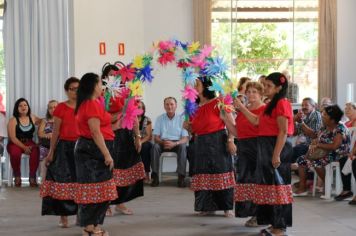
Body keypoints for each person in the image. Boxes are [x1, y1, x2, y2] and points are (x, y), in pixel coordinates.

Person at [225, 72, 294, 235]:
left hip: (275, 146)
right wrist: (236, 110)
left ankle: (280, 228)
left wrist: (276, 154)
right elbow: (256, 121)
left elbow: (283, 131)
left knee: (278, 188)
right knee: (269, 188)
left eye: (269, 86)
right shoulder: (270, 104)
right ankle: (274, 223)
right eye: (265, 85)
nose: (265, 88)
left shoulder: (282, 103)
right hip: (265, 146)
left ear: (279, 88)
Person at [184, 76, 235, 218]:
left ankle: (226, 208)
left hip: (218, 142)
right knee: (203, 175)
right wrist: (188, 127)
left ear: (206, 86)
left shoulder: (219, 102)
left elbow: (231, 124)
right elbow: (193, 129)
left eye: (197, 83)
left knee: (221, 173)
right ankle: (205, 207)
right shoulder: (193, 106)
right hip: (200, 144)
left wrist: (230, 140)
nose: (195, 86)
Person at [74, 73, 117, 236]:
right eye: (100, 83)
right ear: (93, 86)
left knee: (99, 191)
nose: (102, 86)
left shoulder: (90, 103)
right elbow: (95, 132)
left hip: (92, 149)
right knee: (97, 191)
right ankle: (91, 227)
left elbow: (103, 126)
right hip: (92, 151)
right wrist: (107, 154)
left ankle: (91, 225)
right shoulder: (90, 104)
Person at [101, 62, 145, 216]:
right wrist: (117, 117)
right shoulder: (102, 94)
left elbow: (134, 116)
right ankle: (106, 204)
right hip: (109, 135)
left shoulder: (127, 92)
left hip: (125, 136)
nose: (114, 77)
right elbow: (100, 118)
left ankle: (120, 202)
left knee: (124, 169)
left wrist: (138, 136)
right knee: (109, 171)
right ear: (105, 77)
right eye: (111, 75)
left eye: (116, 74)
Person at [40, 77, 80, 228]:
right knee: (62, 182)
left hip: (81, 148)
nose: (75, 92)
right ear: (66, 90)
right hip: (64, 148)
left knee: (80, 182)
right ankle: (63, 217)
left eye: (78, 88)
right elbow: (55, 132)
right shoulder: (61, 108)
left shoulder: (85, 106)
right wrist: (51, 152)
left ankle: (79, 214)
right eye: (72, 89)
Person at [294, 105, 350, 199]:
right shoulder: (325, 127)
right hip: (325, 153)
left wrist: (318, 145)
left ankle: (327, 184)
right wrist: (301, 123)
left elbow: (335, 146)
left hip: (338, 154)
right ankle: (302, 188)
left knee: (317, 163)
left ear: (332, 119)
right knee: (301, 160)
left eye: (325, 115)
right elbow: (314, 135)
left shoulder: (340, 128)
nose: (322, 116)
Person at [231, 82, 265, 227]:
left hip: (257, 148)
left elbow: (256, 123)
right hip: (243, 148)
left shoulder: (263, 109)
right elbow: (237, 132)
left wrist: (242, 108)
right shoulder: (245, 109)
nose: (250, 94)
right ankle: (252, 214)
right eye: (248, 91)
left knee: (258, 181)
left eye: (254, 92)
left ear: (261, 95)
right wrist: (225, 117)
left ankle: (260, 215)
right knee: (245, 181)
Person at [151, 97, 189, 187]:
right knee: (155, 147)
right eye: (167, 104)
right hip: (163, 142)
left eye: (172, 104)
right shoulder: (159, 118)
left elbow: (185, 138)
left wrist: (175, 143)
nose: (169, 106)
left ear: (176, 106)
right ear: (164, 106)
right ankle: (155, 176)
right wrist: (163, 142)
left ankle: (181, 177)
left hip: (177, 143)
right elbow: (156, 137)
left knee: (183, 147)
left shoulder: (182, 118)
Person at [7, 98, 41, 187]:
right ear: (17, 108)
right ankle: (17, 176)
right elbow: (13, 138)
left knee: (36, 151)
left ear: (28, 107)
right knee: (15, 153)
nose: (23, 107)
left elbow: (44, 123)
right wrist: (24, 147)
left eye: (25, 105)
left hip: (29, 142)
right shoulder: (13, 120)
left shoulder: (33, 117)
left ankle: (32, 177)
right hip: (15, 143)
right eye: (20, 105)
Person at [292, 98, 322, 164]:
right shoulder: (305, 117)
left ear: (313, 106)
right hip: (307, 145)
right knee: (289, 150)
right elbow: (294, 133)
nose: (303, 107)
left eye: (306, 105)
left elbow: (314, 135)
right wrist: (294, 120)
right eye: (302, 105)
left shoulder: (316, 115)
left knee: (293, 151)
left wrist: (301, 123)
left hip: (315, 147)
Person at [37, 100, 58, 183]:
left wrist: (54, 134)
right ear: (48, 110)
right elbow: (40, 133)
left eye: (55, 107)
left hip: (57, 146)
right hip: (46, 145)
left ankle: (56, 183)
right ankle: (44, 182)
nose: (53, 109)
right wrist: (47, 134)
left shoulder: (61, 120)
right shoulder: (44, 120)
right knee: (44, 165)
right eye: (50, 108)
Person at [137, 101, 153, 183]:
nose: (137, 109)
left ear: (143, 109)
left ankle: (146, 173)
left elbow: (148, 136)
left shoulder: (147, 120)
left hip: (144, 141)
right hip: (133, 141)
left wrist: (140, 142)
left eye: (139, 107)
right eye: (135, 107)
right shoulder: (129, 118)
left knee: (145, 147)